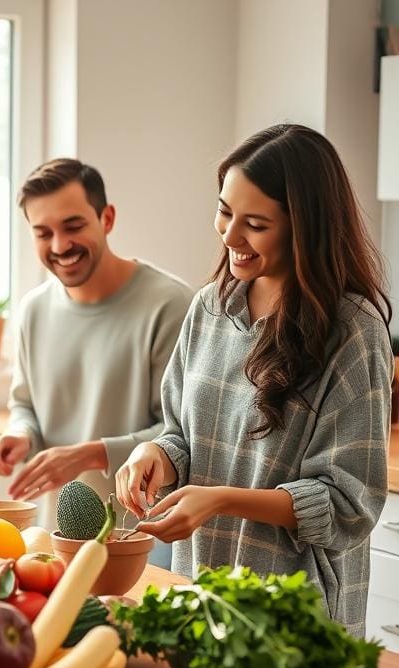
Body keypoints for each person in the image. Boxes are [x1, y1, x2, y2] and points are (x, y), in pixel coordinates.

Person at [115, 124, 392, 637]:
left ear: (303, 228)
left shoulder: (353, 331)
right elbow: (182, 435)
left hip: (297, 621)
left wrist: (222, 499)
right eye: (224, 211)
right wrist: (155, 455)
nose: (229, 236)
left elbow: (348, 504)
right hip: (201, 597)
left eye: (256, 224)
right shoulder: (210, 307)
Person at [0, 158, 194, 533]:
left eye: (73, 226)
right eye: (43, 233)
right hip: (57, 536)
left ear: (106, 219)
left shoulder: (170, 305)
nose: (60, 245)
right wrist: (21, 434)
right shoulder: (34, 310)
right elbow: (25, 404)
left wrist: (91, 455)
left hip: (144, 536)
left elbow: (183, 434)